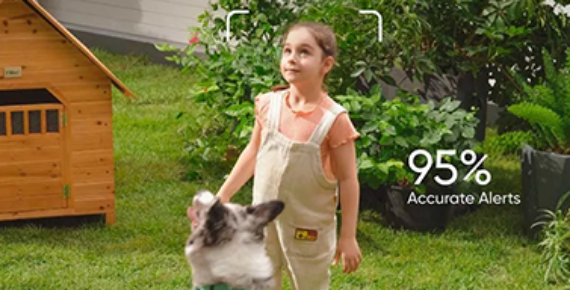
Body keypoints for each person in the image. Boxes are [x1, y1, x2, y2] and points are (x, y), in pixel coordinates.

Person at [189, 21, 362, 290]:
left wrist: (348, 236)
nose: (292, 59)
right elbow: (253, 152)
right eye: (287, 50)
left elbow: (349, 180)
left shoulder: (333, 121)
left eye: (304, 52)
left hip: (309, 231)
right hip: (263, 224)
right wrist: (221, 198)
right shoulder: (269, 105)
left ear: (326, 65)